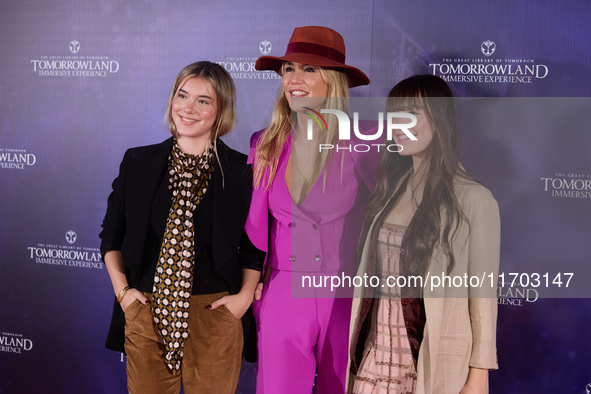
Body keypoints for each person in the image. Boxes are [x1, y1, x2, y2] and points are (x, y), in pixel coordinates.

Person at [99, 61, 263, 394]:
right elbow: (111, 235)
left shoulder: (242, 171)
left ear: (221, 110)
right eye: (182, 95)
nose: (187, 108)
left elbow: (254, 245)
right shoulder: (138, 162)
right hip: (146, 310)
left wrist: (244, 298)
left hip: (215, 314)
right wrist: (123, 294)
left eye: (203, 100)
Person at [246, 26, 378, 394]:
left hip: (343, 292)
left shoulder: (367, 141)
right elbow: (253, 229)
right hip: (282, 290)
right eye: (288, 69)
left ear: (332, 81)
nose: (295, 80)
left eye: (309, 70)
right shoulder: (266, 144)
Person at [348, 75, 500, 394]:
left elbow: (483, 296)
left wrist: (479, 375)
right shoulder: (389, 190)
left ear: (440, 118)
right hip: (373, 360)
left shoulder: (474, 199)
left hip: (430, 365)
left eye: (412, 113)